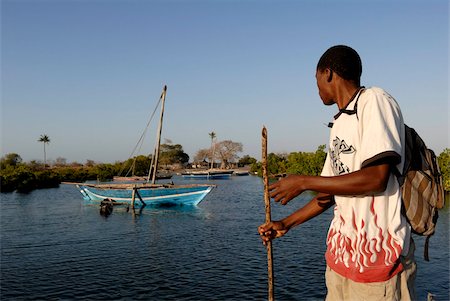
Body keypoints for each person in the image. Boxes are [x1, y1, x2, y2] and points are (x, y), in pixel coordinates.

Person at [258, 45, 416, 300]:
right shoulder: (339, 123)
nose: (317, 88)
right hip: (340, 261)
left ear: (328, 73)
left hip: (379, 265)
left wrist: (302, 181)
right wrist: (285, 223)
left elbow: (376, 178)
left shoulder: (374, 100)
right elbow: (329, 192)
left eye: (317, 79)